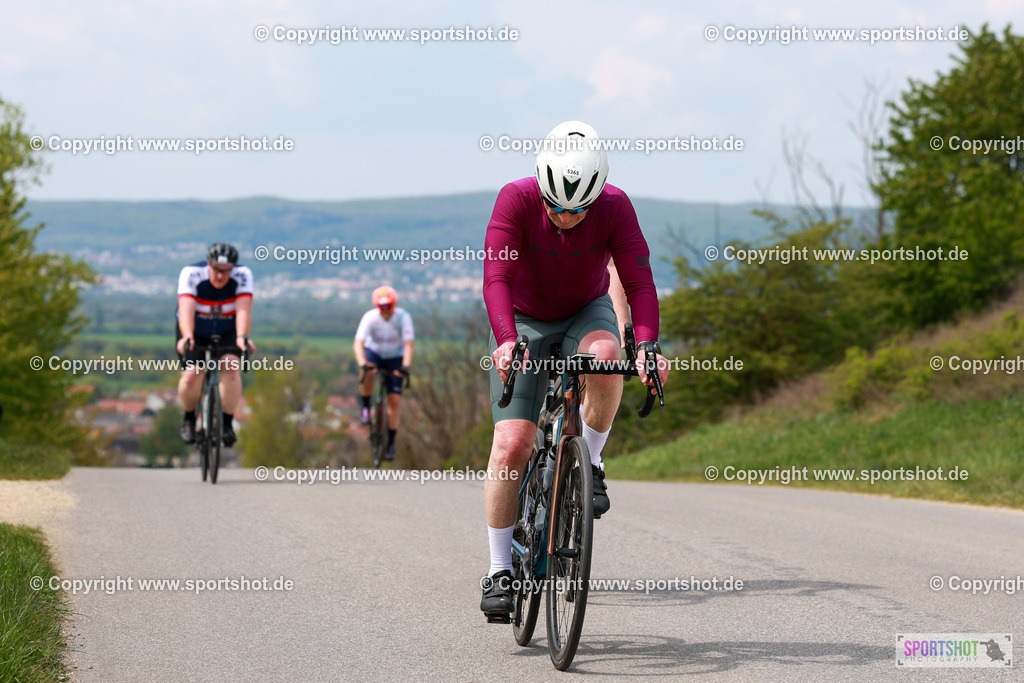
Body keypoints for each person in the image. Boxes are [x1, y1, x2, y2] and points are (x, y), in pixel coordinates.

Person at [479, 121, 670, 619]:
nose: (566, 217)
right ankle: (499, 567)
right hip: (523, 319)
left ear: (597, 194)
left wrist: (647, 346)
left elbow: (639, 281)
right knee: (512, 443)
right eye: (556, 206)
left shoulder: (615, 207)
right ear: (541, 188)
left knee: (609, 355)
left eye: (578, 208)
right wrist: (505, 341)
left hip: (586, 311)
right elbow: (496, 276)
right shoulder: (515, 199)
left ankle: (593, 458)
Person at [176, 243, 255, 447]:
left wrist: (242, 337)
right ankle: (189, 418)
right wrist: (187, 337)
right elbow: (185, 309)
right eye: (216, 271)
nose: (221, 276)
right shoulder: (191, 273)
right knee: (193, 374)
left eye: (226, 271)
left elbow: (244, 310)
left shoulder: (243, 275)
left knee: (231, 366)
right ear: (208, 265)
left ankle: (226, 423)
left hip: (227, 329)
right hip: (196, 329)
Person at [353, 286, 414, 461]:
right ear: (376, 306)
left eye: (389, 307)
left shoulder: (403, 317)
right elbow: (358, 343)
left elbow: (409, 344)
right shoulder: (370, 317)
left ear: (394, 305)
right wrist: (363, 363)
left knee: (394, 400)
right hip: (375, 352)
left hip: (395, 356)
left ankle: (391, 444)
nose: (386, 311)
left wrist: (405, 366)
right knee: (367, 371)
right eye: (382, 307)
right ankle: (365, 407)